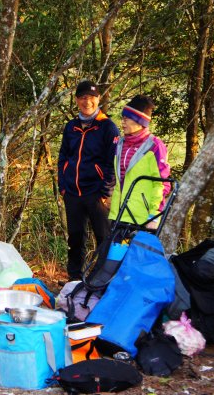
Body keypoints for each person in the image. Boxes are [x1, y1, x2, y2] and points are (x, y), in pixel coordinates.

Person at [58, 80, 120, 280]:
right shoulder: (71, 127)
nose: (87, 102)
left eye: (92, 97)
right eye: (83, 97)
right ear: (76, 100)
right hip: (73, 192)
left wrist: (105, 191)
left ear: (98, 99)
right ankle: (74, 280)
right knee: (75, 239)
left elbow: (114, 162)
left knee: (104, 239)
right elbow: (63, 157)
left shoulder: (107, 127)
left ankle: (101, 281)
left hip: (96, 193)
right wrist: (63, 186)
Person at [109, 95, 171, 229]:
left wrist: (154, 216)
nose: (122, 123)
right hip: (118, 216)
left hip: (142, 220)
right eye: (122, 118)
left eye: (127, 119)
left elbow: (161, 184)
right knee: (110, 251)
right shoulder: (120, 143)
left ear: (140, 121)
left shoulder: (154, 146)